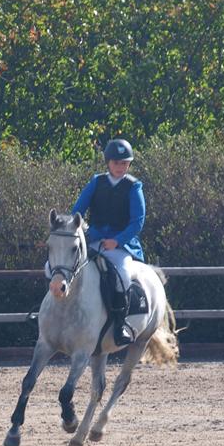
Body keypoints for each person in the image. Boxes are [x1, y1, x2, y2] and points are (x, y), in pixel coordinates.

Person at [71, 138, 146, 345]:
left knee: (121, 275)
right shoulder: (97, 182)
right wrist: (86, 230)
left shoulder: (133, 186)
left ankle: (120, 324)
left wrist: (117, 241)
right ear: (108, 162)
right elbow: (77, 211)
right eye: (116, 163)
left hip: (120, 245)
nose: (120, 167)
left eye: (124, 163)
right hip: (95, 240)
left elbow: (137, 222)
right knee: (63, 266)